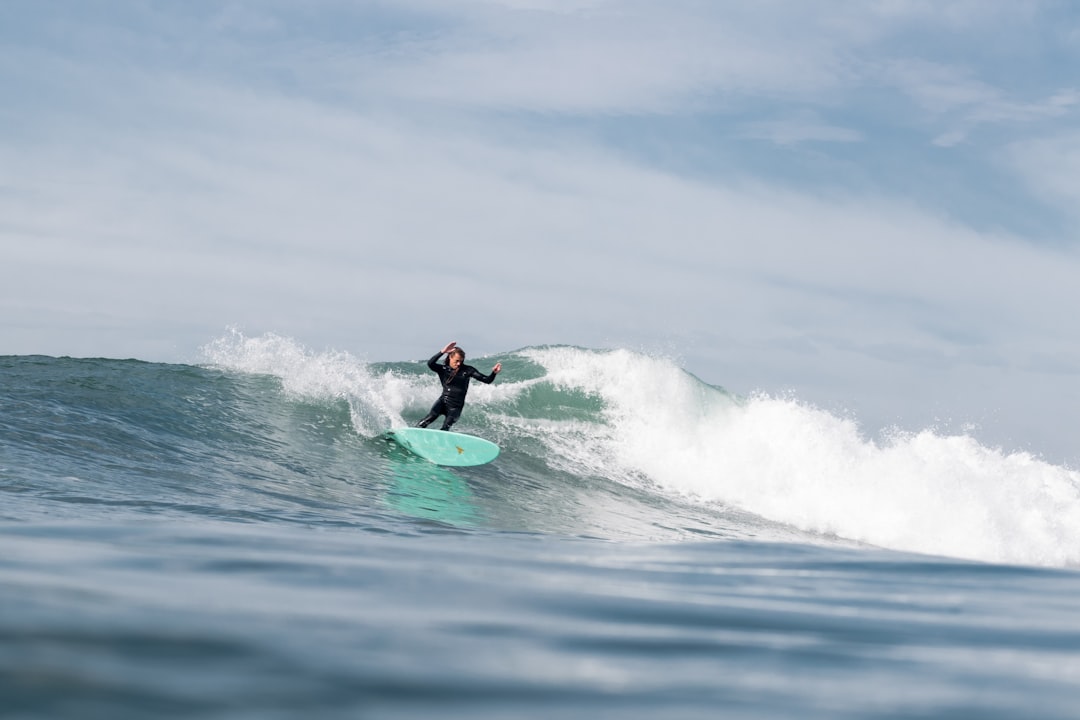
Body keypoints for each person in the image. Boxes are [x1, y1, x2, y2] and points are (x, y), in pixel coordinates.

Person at [416, 341, 502, 431]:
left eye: (461, 361)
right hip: (442, 401)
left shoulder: (468, 370)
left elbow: (487, 380)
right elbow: (430, 363)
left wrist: (494, 373)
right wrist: (442, 351)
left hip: (455, 407)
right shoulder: (443, 369)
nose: (458, 364)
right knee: (428, 419)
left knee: (446, 427)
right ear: (450, 357)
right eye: (457, 361)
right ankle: (413, 435)